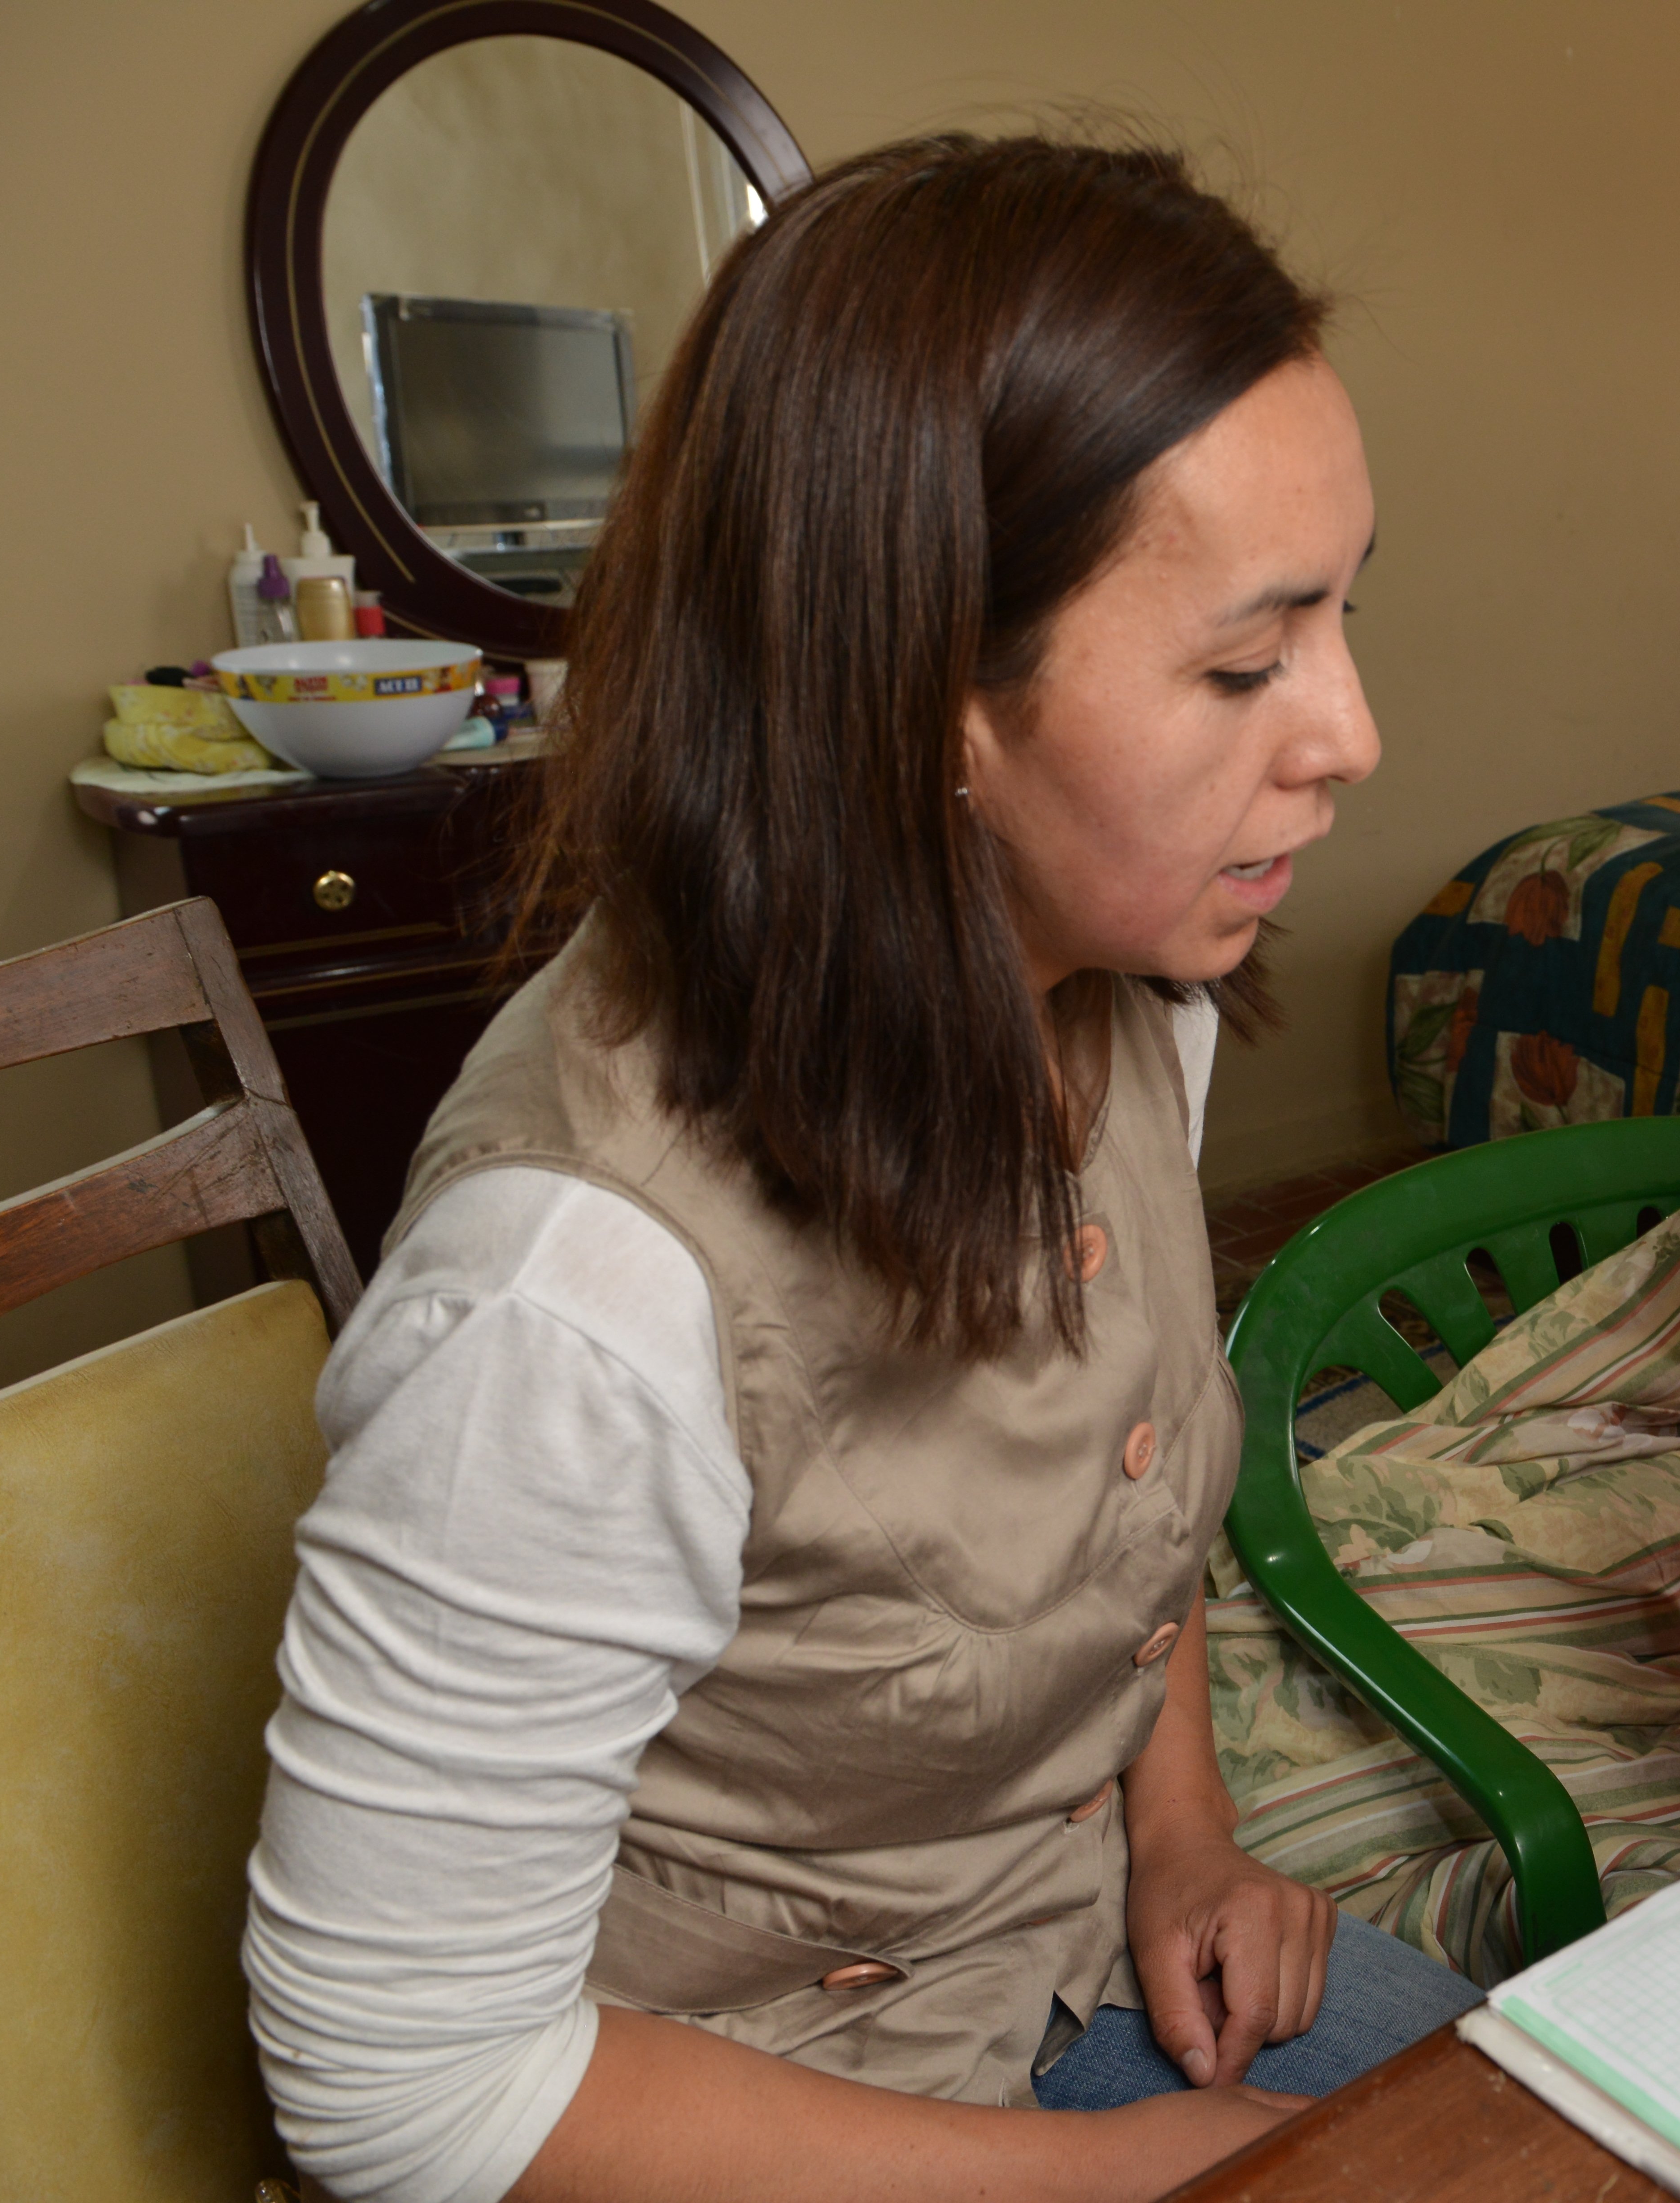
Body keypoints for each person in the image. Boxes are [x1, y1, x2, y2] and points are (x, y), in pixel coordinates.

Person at [243, 134, 1479, 2203]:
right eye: (1249, 661)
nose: (1350, 731)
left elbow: (1133, 1492)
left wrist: (1179, 1836)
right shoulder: (581, 1297)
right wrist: (1125, 2174)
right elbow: (403, 2087)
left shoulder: (1125, 993)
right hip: (716, 2113)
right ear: (927, 705)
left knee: (1596, 2113)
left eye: (1347, 615)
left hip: (1061, 1958)